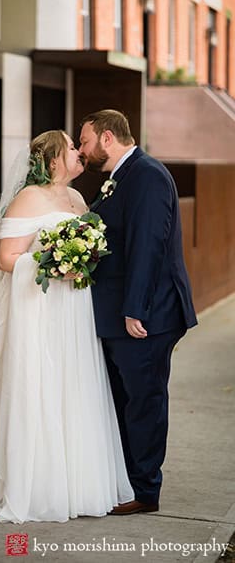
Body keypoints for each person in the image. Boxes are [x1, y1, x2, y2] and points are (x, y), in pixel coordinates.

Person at [0, 130, 134, 523]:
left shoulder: (76, 199)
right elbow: (8, 258)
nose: (79, 152)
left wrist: (83, 259)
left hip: (74, 307)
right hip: (38, 307)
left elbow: (93, 246)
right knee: (39, 384)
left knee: (75, 385)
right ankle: (35, 486)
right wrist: (53, 263)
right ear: (53, 159)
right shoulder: (27, 199)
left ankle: (77, 485)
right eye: (72, 147)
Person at [79, 110, 197, 516]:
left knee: (143, 402)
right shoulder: (120, 177)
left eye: (85, 141)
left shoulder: (146, 175)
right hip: (120, 315)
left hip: (146, 316)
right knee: (126, 400)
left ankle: (145, 491)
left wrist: (135, 311)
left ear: (107, 138)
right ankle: (128, 481)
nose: (82, 150)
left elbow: (149, 246)